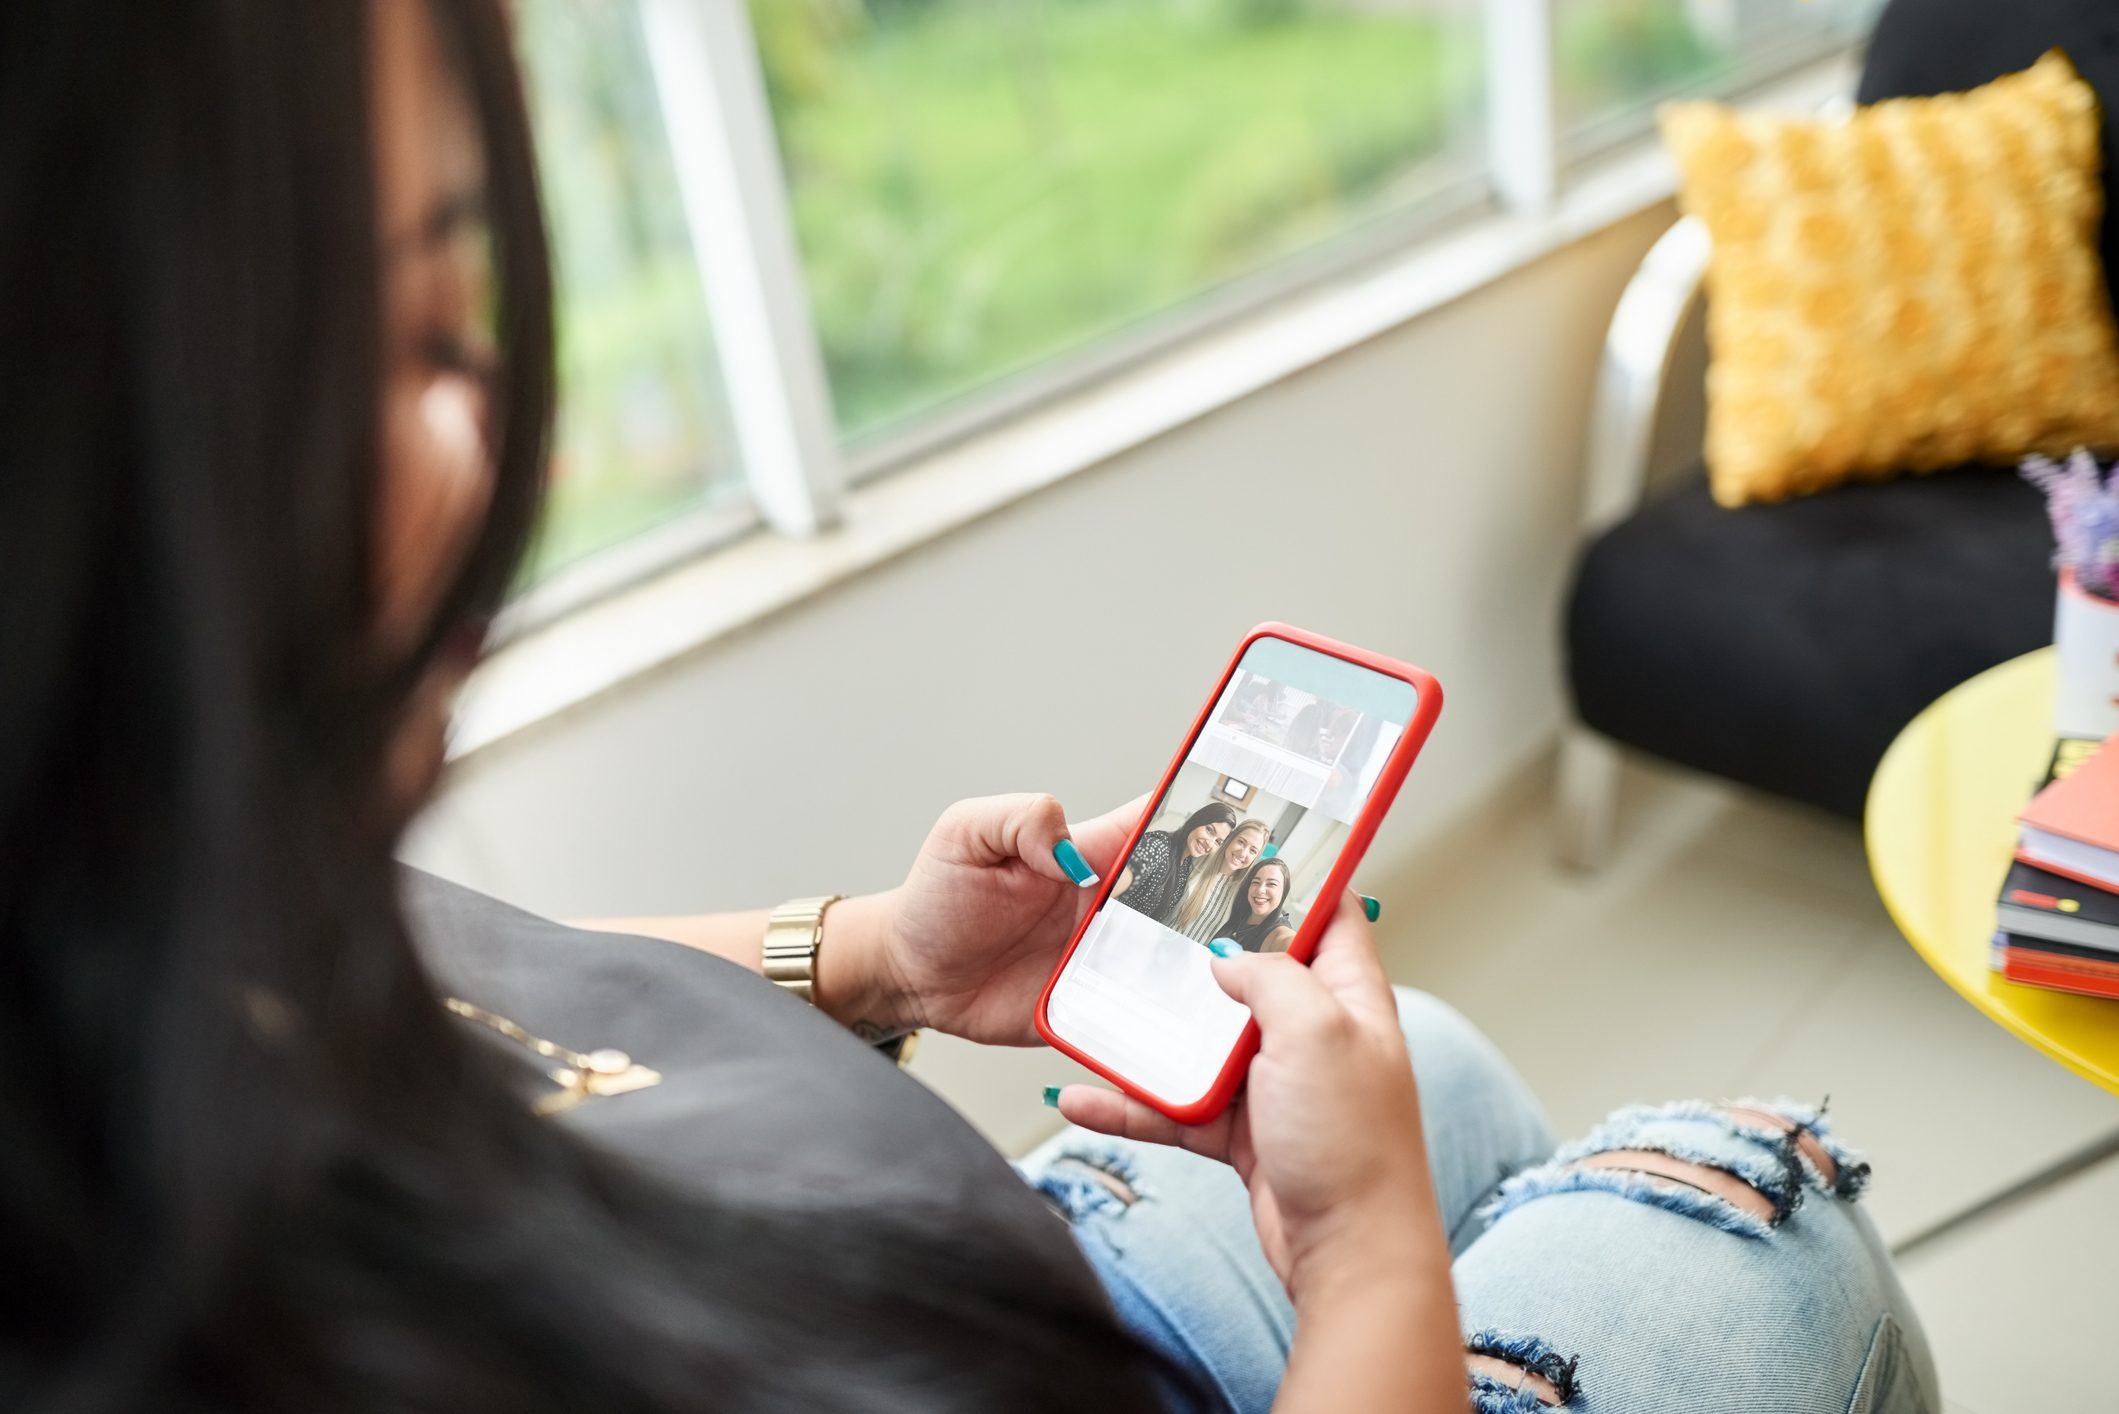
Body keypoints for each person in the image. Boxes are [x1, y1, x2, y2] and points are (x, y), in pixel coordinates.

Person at [1, 4, 1939, 1411]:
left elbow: (462, 981)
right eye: (400, 334)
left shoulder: (133, 900)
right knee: (1762, 1228)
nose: (479, 423)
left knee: (1404, 1052)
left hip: (893, 1253)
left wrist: (871, 956)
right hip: (933, 1322)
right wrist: (1366, 1273)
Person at [1111, 800, 1239, 924]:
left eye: (1218, 842)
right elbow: (1109, 892)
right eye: (1209, 830)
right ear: (1197, 820)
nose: (1210, 844)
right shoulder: (1157, 847)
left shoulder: (1185, 865)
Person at [1170, 818, 1270, 943]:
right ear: (1229, 839)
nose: (1243, 853)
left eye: (1252, 850)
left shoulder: (1245, 892)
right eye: (1241, 842)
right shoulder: (1196, 862)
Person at [1212, 857, 1299, 953]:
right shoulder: (1239, 910)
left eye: (1271, 884)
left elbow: (1291, 943)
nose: (1260, 890)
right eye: (1256, 882)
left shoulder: (1278, 932)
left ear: (1284, 891)